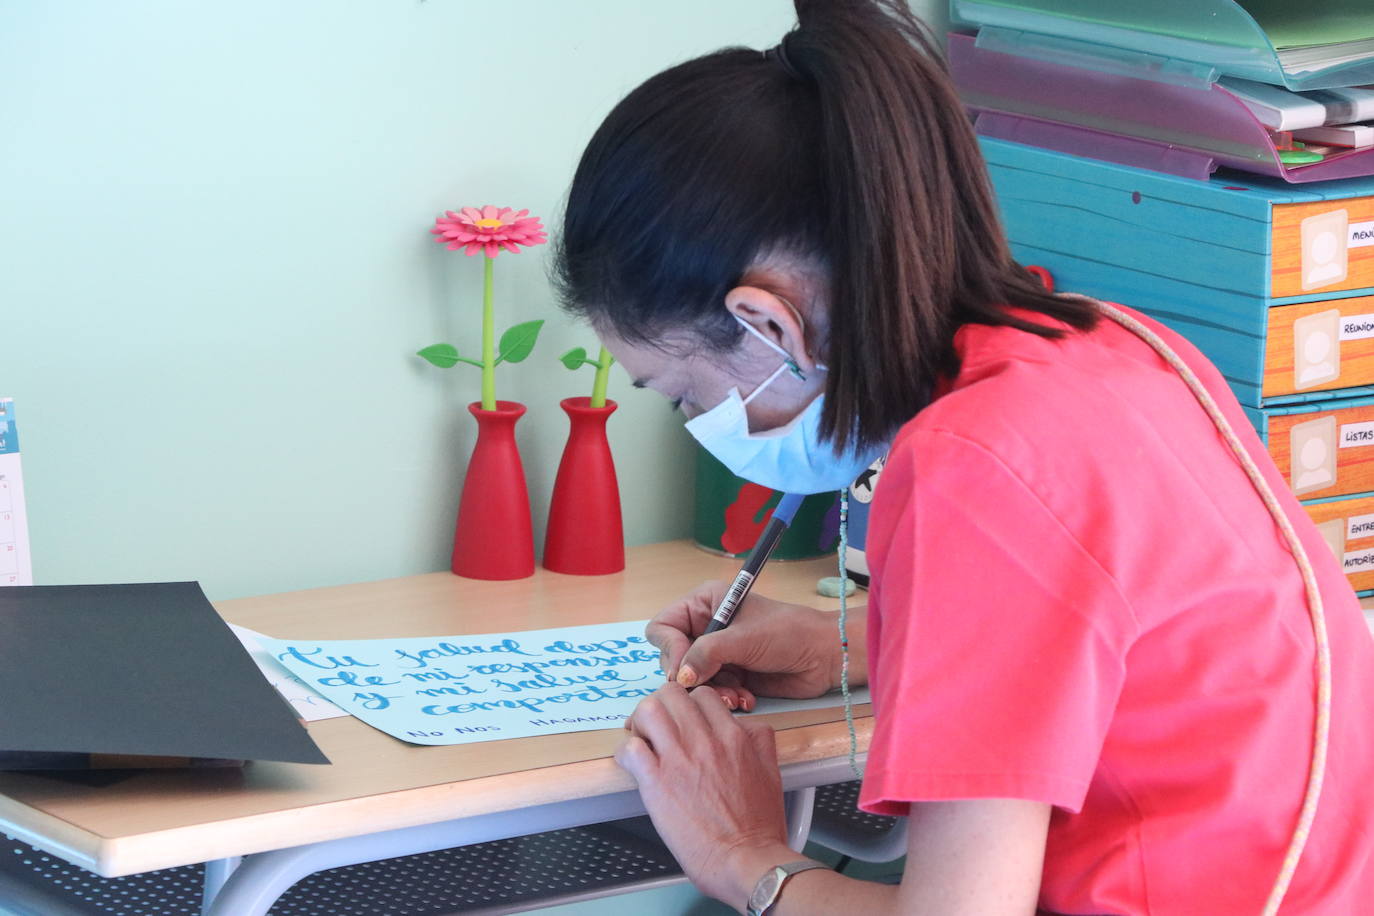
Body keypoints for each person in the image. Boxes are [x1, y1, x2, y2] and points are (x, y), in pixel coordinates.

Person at [553, 2, 1374, 913]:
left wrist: (740, 850)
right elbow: (1113, 642)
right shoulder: (1115, 346)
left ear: (769, 324)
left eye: (684, 393)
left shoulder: (974, 463)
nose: (697, 420)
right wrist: (865, 648)